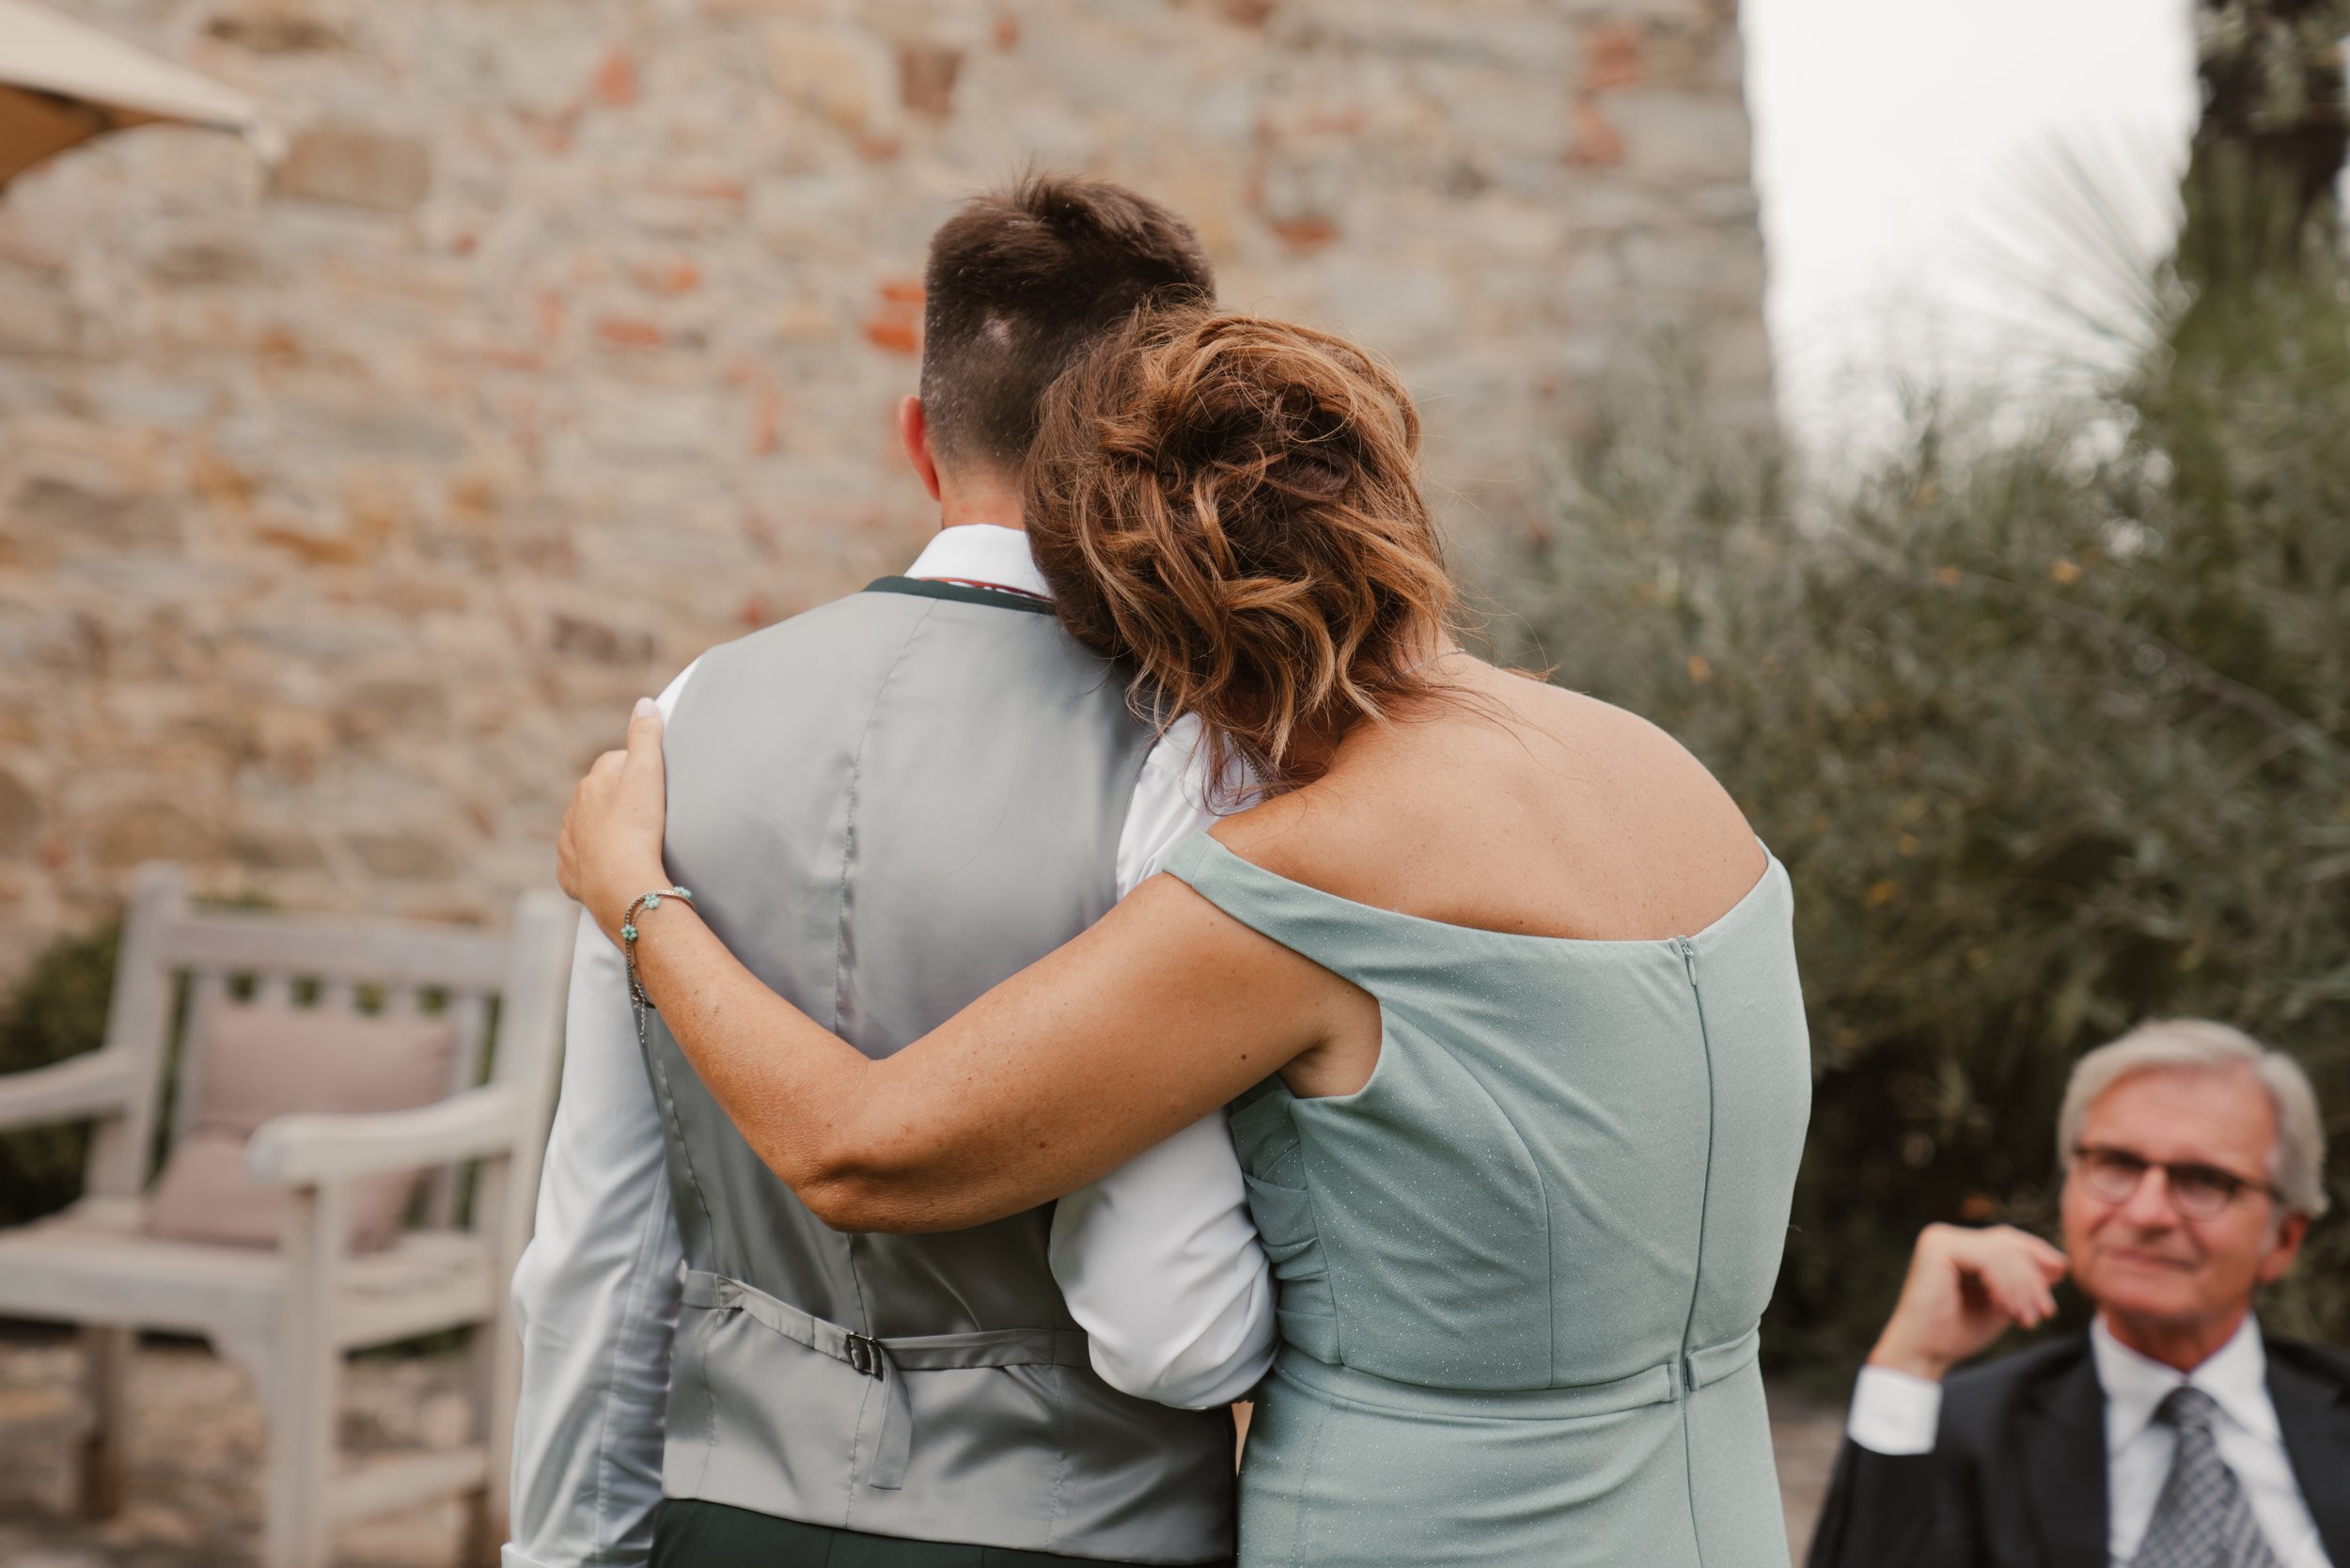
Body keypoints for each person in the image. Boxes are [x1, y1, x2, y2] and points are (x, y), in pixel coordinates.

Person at [557, 305, 1815, 1567]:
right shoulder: (1674, 781)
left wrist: (637, 901)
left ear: (1169, 634)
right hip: (1718, 1513)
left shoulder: (1311, 878)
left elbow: (860, 1156)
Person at [505, 178, 1279, 1568]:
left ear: (919, 435)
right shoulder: (1195, 755)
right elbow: (1168, 1331)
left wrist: (570, 1549)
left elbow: (600, 1237)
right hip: (1084, 1525)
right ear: (1167, 438)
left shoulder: (682, 716)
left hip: (727, 1517)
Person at [1807, 1019, 2348, 1568]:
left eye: (2204, 1180)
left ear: (2282, 1239)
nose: (2145, 1213)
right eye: (2116, 1164)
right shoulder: (1972, 1433)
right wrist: (1910, 1361)